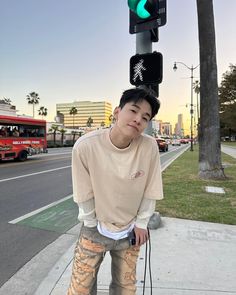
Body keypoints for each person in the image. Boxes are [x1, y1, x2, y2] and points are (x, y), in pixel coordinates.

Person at [67, 86, 163, 295]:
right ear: (117, 112)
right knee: (80, 288)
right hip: (95, 229)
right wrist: (92, 224)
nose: (138, 119)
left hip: (131, 231)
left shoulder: (149, 147)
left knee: (126, 287)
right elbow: (84, 193)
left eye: (145, 117)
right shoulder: (85, 146)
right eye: (133, 110)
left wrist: (142, 223)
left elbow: (150, 189)